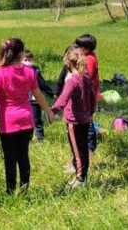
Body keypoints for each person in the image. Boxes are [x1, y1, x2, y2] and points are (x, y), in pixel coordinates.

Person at [0, 38, 55, 195]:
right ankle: (24, 189)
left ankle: (10, 190)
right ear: (20, 54)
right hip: (26, 120)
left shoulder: (1, 73)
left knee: (10, 158)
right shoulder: (30, 72)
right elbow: (38, 94)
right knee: (23, 156)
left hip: (8, 122)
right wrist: (49, 111)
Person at [51, 47, 95, 190]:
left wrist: (53, 111)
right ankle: (83, 177)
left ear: (68, 63)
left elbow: (63, 99)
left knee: (77, 151)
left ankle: (80, 179)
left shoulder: (72, 81)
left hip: (74, 121)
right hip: (86, 119)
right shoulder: (86, 78)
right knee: (83, 149)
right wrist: (91, 112)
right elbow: (93, 97)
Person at [22, 50, 56, 144]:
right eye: (25, 59)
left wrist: (52, 94)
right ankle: (27, 138)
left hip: (34, 98)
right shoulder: (18, 70)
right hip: (23, 99)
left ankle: (40, 138)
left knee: (36, 119)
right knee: (26, 120)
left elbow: (42, 83)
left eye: (30, 59)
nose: (28, 61)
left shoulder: (35, 70)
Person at [75, 34, 101, 157]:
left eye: (78, 47)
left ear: (85, 49)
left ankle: (90, 149)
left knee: (88, 122)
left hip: (88, 96)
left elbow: (86, 78)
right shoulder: (89, 56)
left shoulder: (89, 59)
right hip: (88, 95)